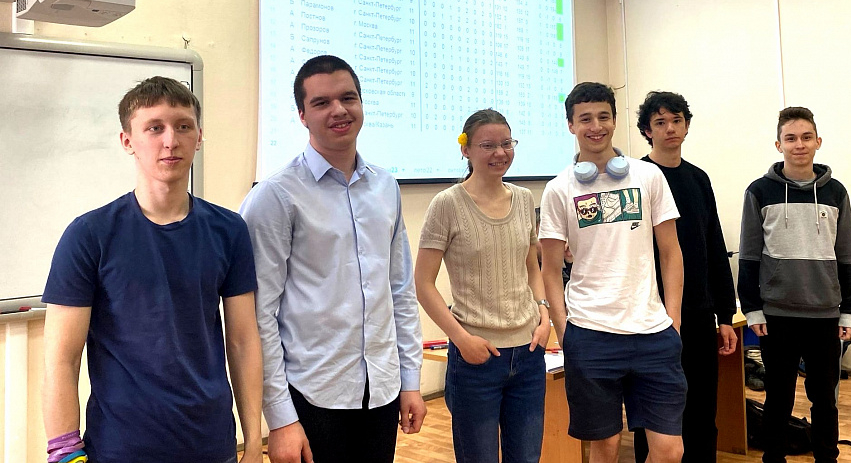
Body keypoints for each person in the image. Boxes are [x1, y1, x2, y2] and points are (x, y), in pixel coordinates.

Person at [42, 77, 263, 463]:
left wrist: (254, 441)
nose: (170, 140)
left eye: (183, 126)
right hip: (120, 448)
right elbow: (62, 358)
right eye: (154, 128)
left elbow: (243, 342)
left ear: (199, 137)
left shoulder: (229, 230)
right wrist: (65, 454)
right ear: (127, 141)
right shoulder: (89, 235)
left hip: (212, 445)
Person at [239, 55, 425, 463]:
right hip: (312, 395)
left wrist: (410, 379)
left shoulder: (385, 186)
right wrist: (280, 418)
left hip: (381, 390)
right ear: (302, 116)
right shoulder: (276, 196)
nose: (339, 110)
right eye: (321, 103)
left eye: (348, 98)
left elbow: (399, 292)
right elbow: (258, 315)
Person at [539, 82, 687, 463]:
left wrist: (674, 319)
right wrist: (564, 330)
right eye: (585, 119)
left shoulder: (648, 176)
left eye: (603, 117)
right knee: (605, 448)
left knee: (670, 451)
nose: (596, 126)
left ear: (615, 120)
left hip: (653, 332)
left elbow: (671, 252)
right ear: (571, 125)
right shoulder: (558, 189)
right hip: (591, 334)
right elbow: (550, 269)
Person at [415, 109, 551, 463]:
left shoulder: (524, 199)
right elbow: (423, 284)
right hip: (476, 359)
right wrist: (462, 339)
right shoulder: (447, 204)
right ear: (466, 150)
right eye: (488, 145)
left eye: (507, 143)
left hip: (529, 355)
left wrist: (544, 314)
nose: (500, 153)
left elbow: (531, 266)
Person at [738, 106, 851, 463]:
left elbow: (847, 255)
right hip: (777, 315)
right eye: (790, 138)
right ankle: (773, 458)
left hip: (825, 315)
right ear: (779, 145)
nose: (799, 144)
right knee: (778, 398)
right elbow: (749, 255)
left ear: (818, 142)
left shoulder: (836, 192)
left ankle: (827, 457)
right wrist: (752, 307)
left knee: (824, 399)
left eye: (806, 137)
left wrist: (849, 311)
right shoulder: (759, 191)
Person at [631, 91, 738, 463]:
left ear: (687, 126)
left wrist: (726, 316)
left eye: (676, 120)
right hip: (651, 316)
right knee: (655, 416)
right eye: (660, 122)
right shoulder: (637, 178)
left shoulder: (698, 178)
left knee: (702, 411)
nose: (670, 129)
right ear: (647, 131)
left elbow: (714, 247)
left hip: (698, 312)